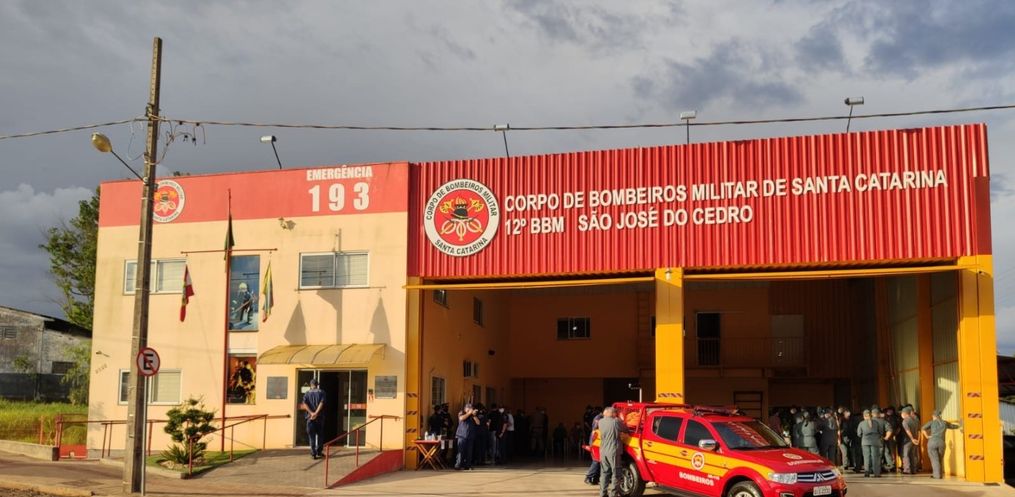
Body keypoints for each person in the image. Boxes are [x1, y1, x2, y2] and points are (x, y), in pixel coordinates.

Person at [597, 406, 628, 497]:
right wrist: (620, 420)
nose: (616, 414)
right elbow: (625, 429)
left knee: (604, 473)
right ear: (612, 413)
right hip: (613, 451)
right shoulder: (616, 421)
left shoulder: (600, 422)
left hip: (603, 451)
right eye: (615, 413)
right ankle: (613, 494)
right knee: (616, 473)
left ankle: (603, 493)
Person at [922, 410, 960, 479]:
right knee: (939, 459)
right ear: (940, 416)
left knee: (934, 459)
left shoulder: (931, 422)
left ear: (933, 416)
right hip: (941, 442)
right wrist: (961, 425)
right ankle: (938, 474)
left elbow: (923, 428)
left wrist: (927, 436)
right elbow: (953, 426)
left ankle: (937, 475)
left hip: (932, 442)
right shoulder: (944, 423)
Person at [857, 408, 886, 477]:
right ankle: (877, 473)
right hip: (875, 441)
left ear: (864, 416)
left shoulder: (861, 423)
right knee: (875, 457)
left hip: (865, 442)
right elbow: (881, 432)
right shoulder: (876, 422)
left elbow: (859, 434)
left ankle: (867, 472)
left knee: (866, 457)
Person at [301, 378, 325, 459]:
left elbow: (304, 404)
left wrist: (311, 413)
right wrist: (316, 413)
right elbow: (322, 403)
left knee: (312, 436)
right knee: (320, 435)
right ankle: (319, 452)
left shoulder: (307, 393)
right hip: (319, 417)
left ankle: (313, 453)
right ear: (317, 385)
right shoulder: (322, 392)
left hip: (310, 418)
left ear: (311, 385)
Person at [455, 403, 480, 470]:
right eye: (469, 408)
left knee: (469, 452)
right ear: (466, 408)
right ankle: (458, 465)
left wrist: (474, 416)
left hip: (470, 436)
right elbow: (461, 418)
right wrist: (469, 413)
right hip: (461, 435)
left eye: (471, 408)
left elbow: (478, 423)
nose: (471, 410)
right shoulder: (462, 412)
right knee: (461, 451)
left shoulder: (472, 415)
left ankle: (468, 465)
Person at [584, 411, 604, 485]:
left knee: (599, 462)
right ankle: (589, 477)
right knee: (596, 461)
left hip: (599, 443)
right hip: (596, 444)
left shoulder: (600, 418)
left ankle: (595, 479)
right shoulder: (598, 418)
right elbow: (595, 429)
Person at [900, 406, 920, 474]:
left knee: (905, 455)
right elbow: (918, 430)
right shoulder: (916, 420)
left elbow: (907, 431)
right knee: (912, 455)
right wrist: (917, 439)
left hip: (908, 440)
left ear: (904, 413)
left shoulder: (905, 421)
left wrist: (912, 439)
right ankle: (913, 470)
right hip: (915, 439)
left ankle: (907, 469)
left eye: (902, 413)